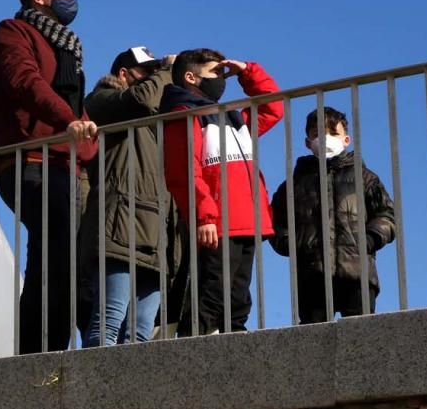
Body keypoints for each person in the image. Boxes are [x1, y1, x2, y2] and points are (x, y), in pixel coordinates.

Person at [0, 0, 98, 354]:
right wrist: (69, 120)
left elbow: (74, 106)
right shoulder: (11, 34)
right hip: (30, 161)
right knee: (56, 260)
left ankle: (46, 351)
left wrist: (90, 152)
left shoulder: (65, 47)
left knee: (56, 259)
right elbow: (25, 82)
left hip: (66, 165)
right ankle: (39, 355)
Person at [161, 49, 283, 334]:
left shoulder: (234, 118)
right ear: (191, 78)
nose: (221, 79)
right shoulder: (184, 114)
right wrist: (204, 216)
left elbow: (273, 107)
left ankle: (234, 352)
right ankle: (196, 353)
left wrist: (247, 71)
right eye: (215, 73)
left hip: (248, 220)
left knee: (238, 298)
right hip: (217, 222)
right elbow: (184, 171)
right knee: (212, 294)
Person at [81, 46, 177, 345]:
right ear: (124, 74)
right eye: (148, 73)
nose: (155, 79)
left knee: (140, 332)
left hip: (154, 231)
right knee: (108, 321)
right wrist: (166, 71)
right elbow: (141, 99)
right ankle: (93, 387)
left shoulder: (156, 118)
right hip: (119, 227)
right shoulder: (104, 100)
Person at [270, 107, 396, 322]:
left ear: (346, 139)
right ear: (308, 142)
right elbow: (274, 220)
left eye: (332, 133)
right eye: (317, 134)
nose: (325, 138)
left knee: (360, 338)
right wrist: (289, 243)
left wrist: (369, 239)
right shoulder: (294, 184)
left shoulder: (365, 178)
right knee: (313, 341)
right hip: (312, 274)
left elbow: (387, 215)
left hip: (357, 273)